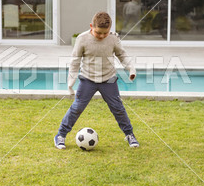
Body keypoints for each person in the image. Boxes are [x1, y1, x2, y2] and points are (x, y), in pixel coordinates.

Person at [54, 11, 140, 149]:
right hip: (88, 79)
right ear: (91, 26)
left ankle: (129, 134)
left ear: (109, 30)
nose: (101, 36)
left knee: (118, 108)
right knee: (77, 108)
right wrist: (70, 83)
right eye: (98, 33)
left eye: (105, 33)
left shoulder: (113, 38)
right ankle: (60, 135)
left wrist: (131, 69)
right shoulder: (82, 39)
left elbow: (122, 55)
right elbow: (75, 62)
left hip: (109, 79)